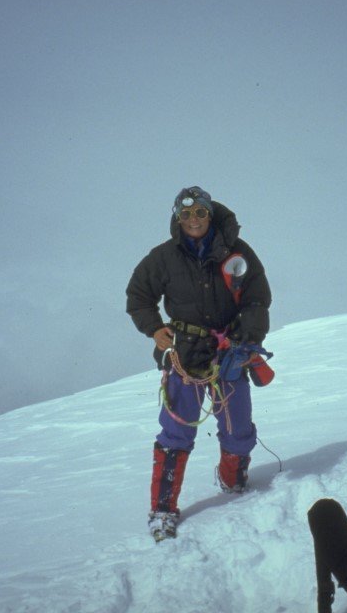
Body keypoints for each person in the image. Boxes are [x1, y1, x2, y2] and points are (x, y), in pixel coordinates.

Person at [126, 186, 272, 540]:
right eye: (186, 214)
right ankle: (162, 509)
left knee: (238, 428)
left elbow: (257, 298)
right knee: (176, 432)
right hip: (185, 354)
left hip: (230, 351)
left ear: (210, 214)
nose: (194, 219)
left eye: (200, 213)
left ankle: (232, 479)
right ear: (178, 218)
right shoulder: (163, 258)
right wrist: (155, 329)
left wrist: (245, 335)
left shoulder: (238, 251)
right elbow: (139, 296)